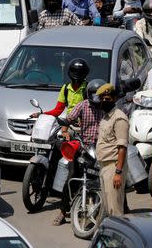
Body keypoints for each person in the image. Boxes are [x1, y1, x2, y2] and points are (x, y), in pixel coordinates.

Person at [52, 78, 106, 226]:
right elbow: (69, 118)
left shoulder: (107, 107)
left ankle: (121, 208)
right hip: (84, 149)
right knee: (70, 178)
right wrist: (64, 124)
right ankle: (63, 212)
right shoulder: (82, 106)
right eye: (95, 95)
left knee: (111, 178)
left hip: (102, 149)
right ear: (89, 94)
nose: (97, 99)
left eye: (100, 96)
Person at [95, 82, 128, 218]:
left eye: (107, 99)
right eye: (101, 99)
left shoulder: (119, 118)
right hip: (104, 166)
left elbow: (122, 147)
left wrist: (118, 173)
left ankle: (118, 237)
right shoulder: (106, 117)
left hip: (114, 166)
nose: (103, 101)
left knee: (115, 210)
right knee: (108, 208)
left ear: (114, 99)